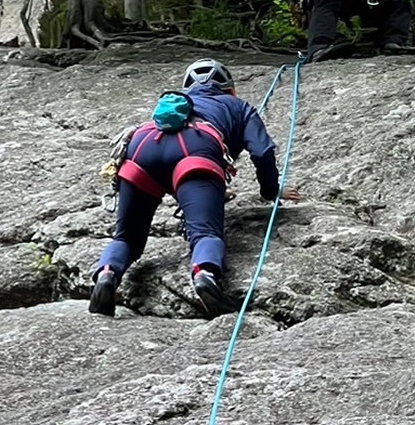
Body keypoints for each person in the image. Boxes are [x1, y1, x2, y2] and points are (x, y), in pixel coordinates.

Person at [88, 58, 300, 318]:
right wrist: (270, 190)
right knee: (206, 234)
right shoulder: (239, 106)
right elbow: (262, 150)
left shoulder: (176, 106)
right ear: (230, 89)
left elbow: (168, 154)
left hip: (141, 147)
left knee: (127, 238)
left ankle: (108, 274)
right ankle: (205, 276)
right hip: (196, 151)